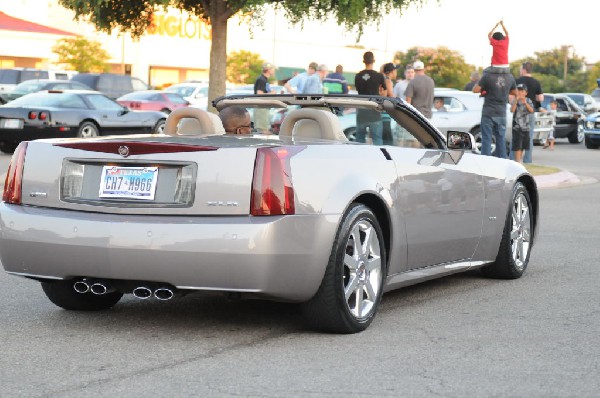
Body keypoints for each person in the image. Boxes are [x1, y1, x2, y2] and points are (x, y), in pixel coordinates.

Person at [473, 68, 517, 158]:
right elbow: (514, 92)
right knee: (501, 138)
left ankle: (486, 160)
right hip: (501, 112)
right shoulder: (509, 77)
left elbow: (475, 89)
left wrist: (483, 83)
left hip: (488, 112)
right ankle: (502, 160)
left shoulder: (487, 76)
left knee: (486, 138)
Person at [354, 51, 385, 145]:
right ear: (373, 61)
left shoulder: (358, 76)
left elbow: (358, 90)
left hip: (361, 111)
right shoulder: (379, 76)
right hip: (374, 110)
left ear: (364, 61)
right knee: (377, 141)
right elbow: (384, 91)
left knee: (359, 140)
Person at [516, 61, 544, 163]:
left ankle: (514, 160)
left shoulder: (517, 81)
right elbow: (541, 98)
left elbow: (511, 97)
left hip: (518, 112)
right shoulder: (536, 82)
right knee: (529, 137)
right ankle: (527, 160)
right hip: (530, 112)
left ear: (523, 70)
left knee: (517, 136)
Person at [510, 84, 534, 163]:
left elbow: (531, 111)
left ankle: (519, 161)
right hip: (517, 127)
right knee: (517, 146)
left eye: (522, 91)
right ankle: (518, 162)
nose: (520, 93)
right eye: (518, 91)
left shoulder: (528, 100)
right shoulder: (515, 100)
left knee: (523, 146)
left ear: (525, 93)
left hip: (526, 127)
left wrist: (525, 103)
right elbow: (512, 110)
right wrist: (516, 101)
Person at [253, 62, 275, 134]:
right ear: (268, 69)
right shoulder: (261, 79)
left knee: (264, 130)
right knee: (263, 131)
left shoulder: (264, 79)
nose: (274, 71)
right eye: (273, 69)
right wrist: (271, 93)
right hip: (261, 108)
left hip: (263, 108)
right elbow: (259, 93)